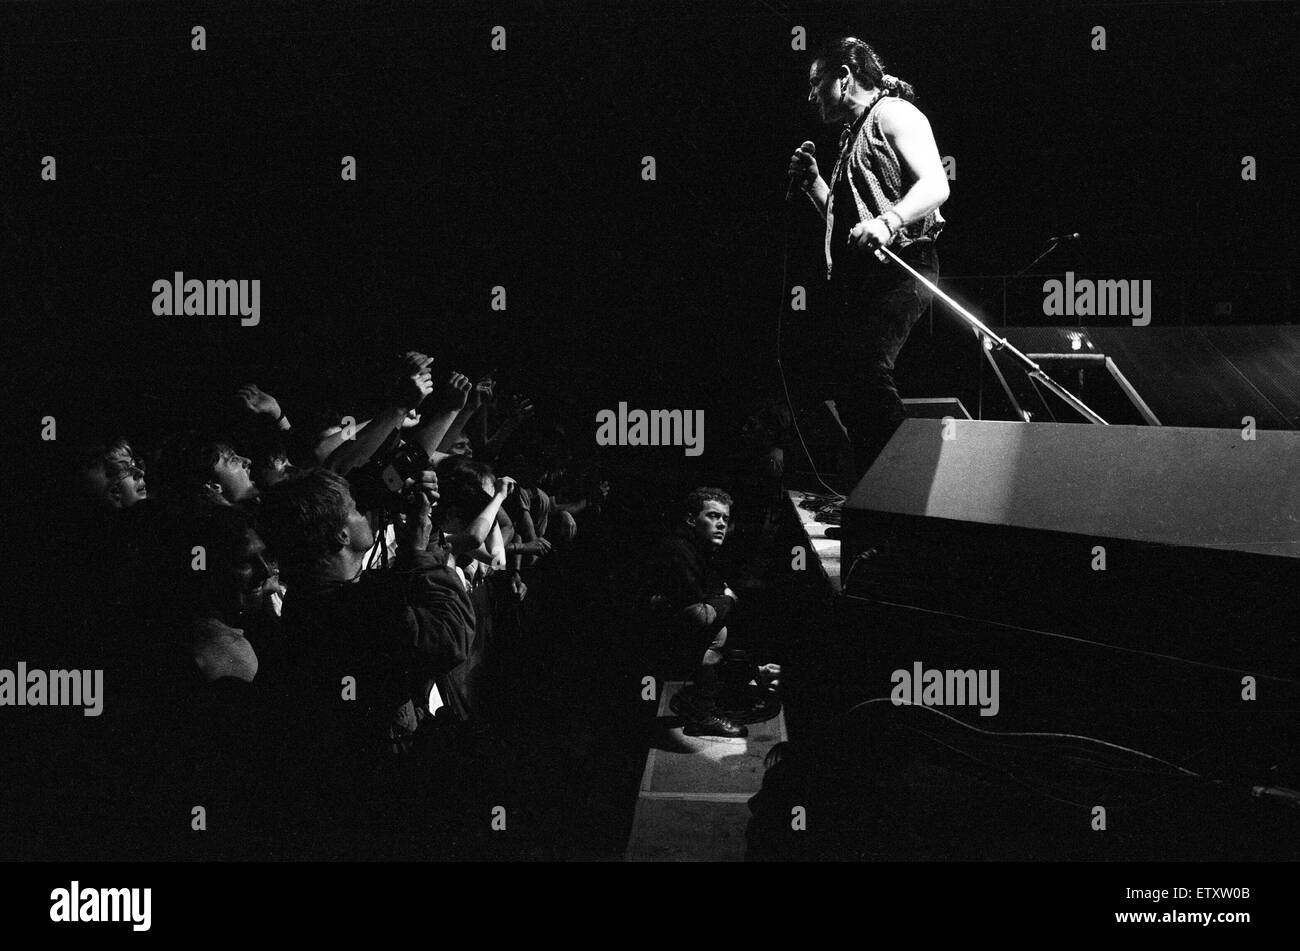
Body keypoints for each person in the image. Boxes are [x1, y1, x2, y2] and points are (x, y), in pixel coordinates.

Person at [789, 36, 950, 479]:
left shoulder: (894, 113)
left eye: (816, 82)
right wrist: (815, 186)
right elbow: (849, 223)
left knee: (865, 367)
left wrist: (890, 220)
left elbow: (937, 184)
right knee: (849, 382)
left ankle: (904, 488)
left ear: (843, 77)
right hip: (864, 276)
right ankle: (871, 500)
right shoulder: (849, 139)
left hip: (906, 262)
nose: (811, 95)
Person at [650, 488, 747, 738]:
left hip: (667, 620)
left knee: (718, 622)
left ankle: (698, 702)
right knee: (712, 626)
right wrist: (727, 600)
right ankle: (702, 715)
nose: (721, 524)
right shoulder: (679, 550)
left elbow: (713, 589)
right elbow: (701, 613)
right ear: (692, 519)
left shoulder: (699, 546)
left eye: (725, 519)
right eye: (713, 516)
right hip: (645, 631)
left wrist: (721, 598)